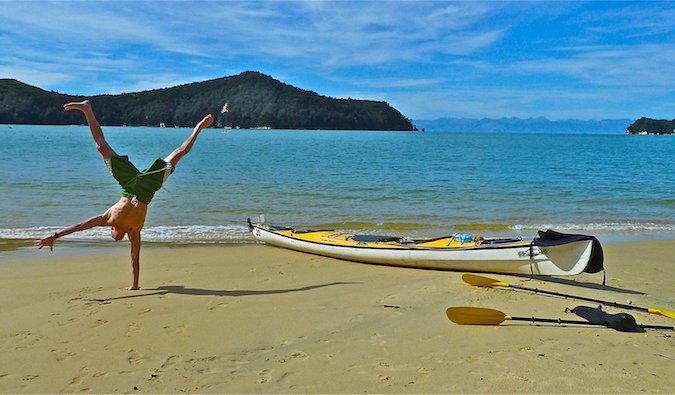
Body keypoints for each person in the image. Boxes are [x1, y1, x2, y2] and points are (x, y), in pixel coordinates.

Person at [34, 100, 213, 290]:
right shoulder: (134, 233)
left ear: (111, 230)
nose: (115, 237)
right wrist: (135, 285)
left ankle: (87, 109)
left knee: (101, 147)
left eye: (112, 235)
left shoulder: (107, 219)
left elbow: (78, 227)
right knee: (179, 153)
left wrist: (55, 235)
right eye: (116, 237)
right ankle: (198, 129)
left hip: (127, 183)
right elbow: (135, 258)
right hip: (147, 189)